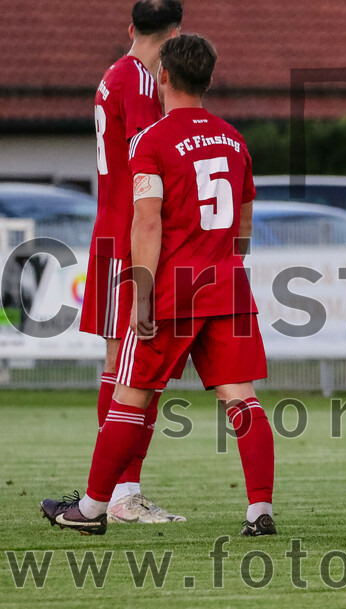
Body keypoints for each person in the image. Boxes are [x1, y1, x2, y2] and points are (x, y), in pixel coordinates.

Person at [41, 34, 276, 536]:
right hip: (226, 284)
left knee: (131, 397)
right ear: (209, 79)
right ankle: (260, 511)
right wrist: (234, 262)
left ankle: (92, 508)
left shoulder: (152, 140)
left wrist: (141, 293)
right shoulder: (234, 139)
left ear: (163, 76)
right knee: (243, 399)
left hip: (174, 289)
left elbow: (147, 223)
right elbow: (246, 212)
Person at [79, 0, 184, 524]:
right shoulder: (142, 82)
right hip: (131, 238)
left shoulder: (112, 74)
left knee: (118, 366)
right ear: (175, 35)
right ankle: (122, 494)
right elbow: (151, 157)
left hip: (108, 230)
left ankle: (116, 492)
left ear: (130, 28)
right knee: (134, 373)